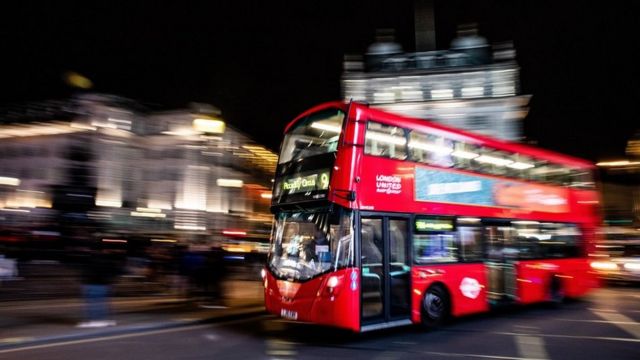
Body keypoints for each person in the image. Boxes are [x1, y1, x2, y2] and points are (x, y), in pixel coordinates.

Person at [77, 240, 123, 328]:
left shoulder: (88, 258)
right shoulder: (107, 259)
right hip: (103, 284)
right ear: (103, 250)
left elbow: (84, 272)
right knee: (102, 303)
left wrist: (82, 283)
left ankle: (93, 320)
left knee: (91, 303)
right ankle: (102, 320)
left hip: (90, 284)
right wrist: (112, 281)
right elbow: (116, 271)